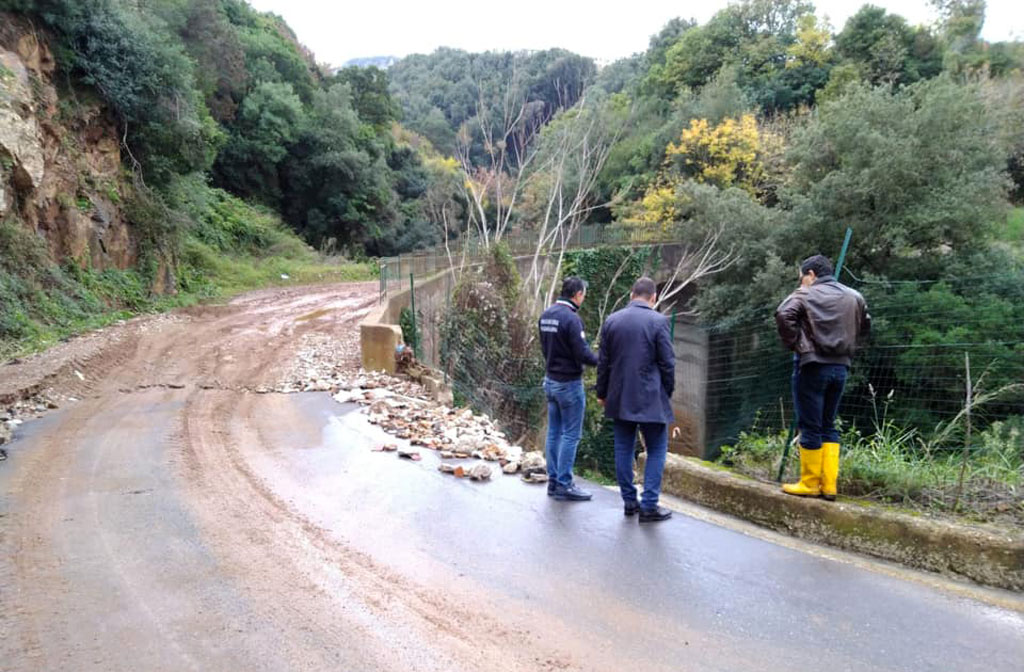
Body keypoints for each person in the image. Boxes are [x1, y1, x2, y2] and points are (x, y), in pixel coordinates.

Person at [775, 254, 870, 501]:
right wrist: (850, 347)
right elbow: (865, 324)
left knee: (810, 424)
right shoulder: (854, 296)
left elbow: (784, 315)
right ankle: (829, 486)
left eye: (802, 277)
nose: (801, 282)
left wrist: (798, 344)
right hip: (841, 367)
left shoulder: (804, 294)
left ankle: (809, 483)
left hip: (812, 366)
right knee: (829, 424)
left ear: (811, 275)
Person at [596, 277, 675, 523]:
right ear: (653, 298)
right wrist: (667, 393)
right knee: (657, 449)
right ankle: (649, 505)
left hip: (619, 397)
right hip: (651, 397)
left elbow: (603, 362)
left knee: (623, 448)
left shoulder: (612, 320)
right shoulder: (659, 321)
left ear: (632, 295)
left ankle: (630, 502)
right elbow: (667, 363)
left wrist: (602, 392)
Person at [538, 276, 599, 501]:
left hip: (550, 381)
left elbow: (545, 348)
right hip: (568, 384)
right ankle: (565, 483)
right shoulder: (571, 320)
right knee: (571, 434)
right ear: (578, 295)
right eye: (583, 294)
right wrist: (603, 360)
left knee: (554, 432)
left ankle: (553, 481)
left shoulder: (546, 315)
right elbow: (582, 353)